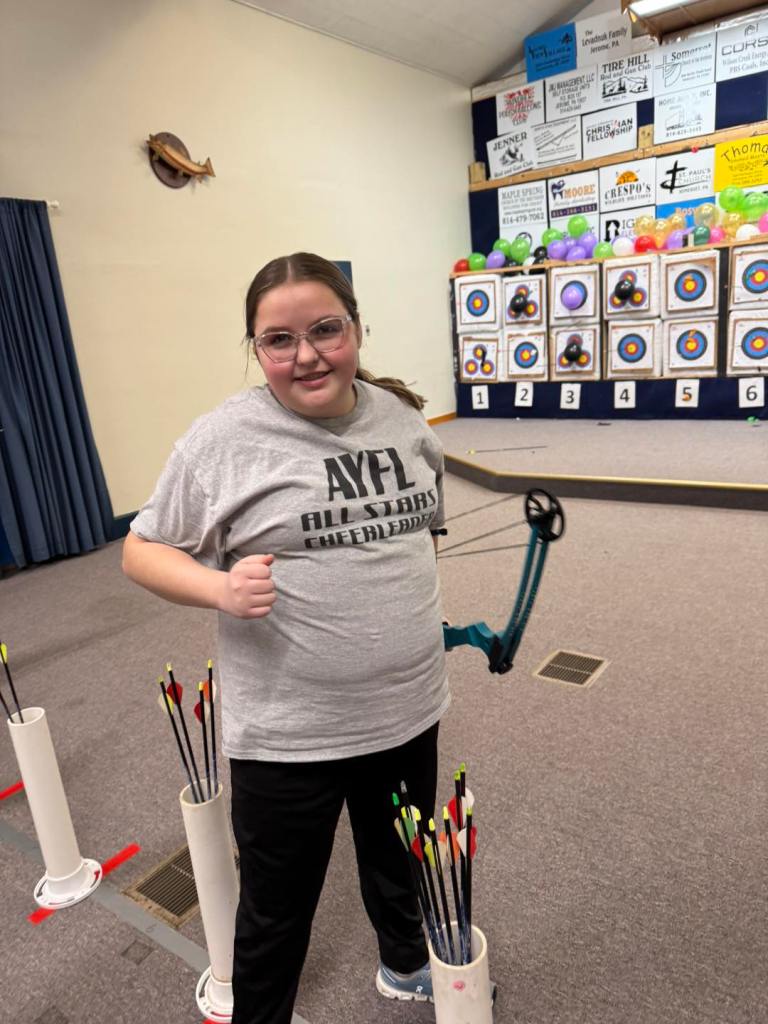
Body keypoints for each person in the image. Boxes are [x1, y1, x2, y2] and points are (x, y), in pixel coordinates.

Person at [122, 252, 449, 1024]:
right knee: (276, 907)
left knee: (402, 862)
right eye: (279, 339)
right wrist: (221, 588)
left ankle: (404, 965)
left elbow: (422, 534)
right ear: (257, 349)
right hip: (288, 732)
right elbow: (142, 548)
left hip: (407, 707)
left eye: (326, 330)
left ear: (358, 329)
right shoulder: (224, 438)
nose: (306, 355)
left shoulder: (402, 419)